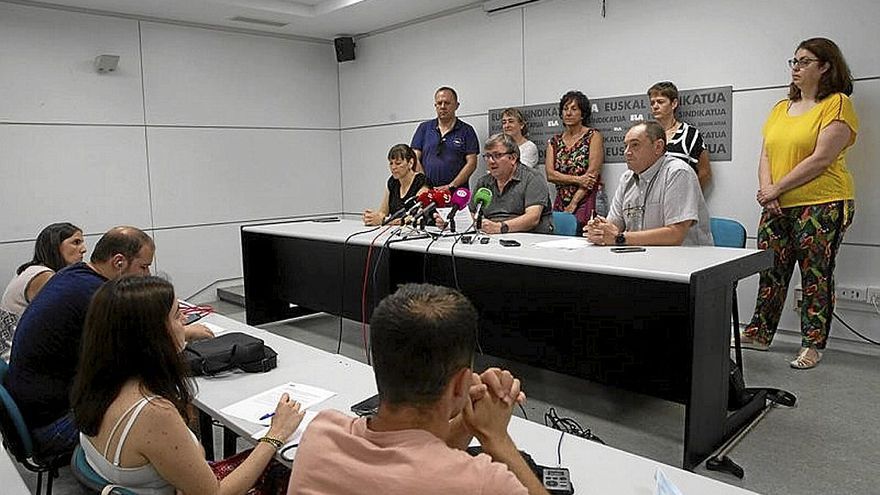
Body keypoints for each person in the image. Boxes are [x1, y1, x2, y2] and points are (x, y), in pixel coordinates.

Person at [288, 283, 549, 495]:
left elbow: (415, 456)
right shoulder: (482, 482)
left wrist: (466, 420)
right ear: (461, 383)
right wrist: (496, 439)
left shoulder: (321, 433)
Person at [71, 276, 303, 494]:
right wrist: (276, 433)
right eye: (176, 315)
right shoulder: (153, 412)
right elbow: (216, 493)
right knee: (298, 469)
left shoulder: (97, 383)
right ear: (151, 334)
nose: (185, 321)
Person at [3, 226, 214, 459]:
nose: (147, 274)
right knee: (165, 403)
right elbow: (138, 355)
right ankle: (194, 469)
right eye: (143, 266)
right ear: (119, 262)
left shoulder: (73, 276)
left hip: (35, 411)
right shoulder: (97, 297)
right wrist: (181, 333)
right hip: (53, 426)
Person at [741, 38, 858, 370]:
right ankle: (760, 333)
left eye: (804, 61)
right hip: (776, 204)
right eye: (793, 61)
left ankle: (812, 344)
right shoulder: (781, 108)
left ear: (825, 67)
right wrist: (768, 190)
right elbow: (766, 153)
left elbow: (821, 159)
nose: (796, 67)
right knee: (771, 270)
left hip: (822, 202)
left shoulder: (837, 104)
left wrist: (776, 187)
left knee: (815, 275)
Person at [585, 121, 713, 247]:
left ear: (658, 147)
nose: (627, 152)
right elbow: (613, 226)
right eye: (626, 146)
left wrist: (619, 238)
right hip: (641, 259)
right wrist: (600, 230)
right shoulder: (626, 178)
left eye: (635, 145)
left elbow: (676, 234)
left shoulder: (678, 172)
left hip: (687, 262)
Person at [468, 133, 552, 234]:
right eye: (488, 156)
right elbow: (472, 214)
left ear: (513, 158)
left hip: (528, 238)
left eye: (497, 155)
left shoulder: (532, 178)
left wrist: (500, 227)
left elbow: (532, 218)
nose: (491, 161)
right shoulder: (484, 182)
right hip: (491, 237)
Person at [1, 222, 86, 317]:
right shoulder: (42, 275)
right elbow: (61, 314)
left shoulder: (33, 269)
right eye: (76, 242)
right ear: (55, 246)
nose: (84, 249)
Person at [411, 87, 479, 190]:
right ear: (435, 106)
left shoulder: (467, 130)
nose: (442, 107)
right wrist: (425, 184)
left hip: (456, 193)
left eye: (447, 103)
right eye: (439, 103)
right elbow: (414, 158)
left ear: (456, 106)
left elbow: (472, 163)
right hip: (427, 192)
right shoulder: (424, 128)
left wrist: (452, 185)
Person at [648, 81, 713, 190]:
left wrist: (689, 196)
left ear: (674, 104)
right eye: (652, 103)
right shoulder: (647, 135)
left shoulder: (689, 134)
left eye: (660, 102)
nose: (655, 106)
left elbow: (705, 172)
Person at [363, 144, 430, 226]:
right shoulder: (392, 182)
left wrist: (383, 221)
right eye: (391, 163)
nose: (393, 167)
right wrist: (371, 217)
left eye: (398, 163)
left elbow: (414, 217)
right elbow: (383, 212)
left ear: (410, 163)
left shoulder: (422, 182)